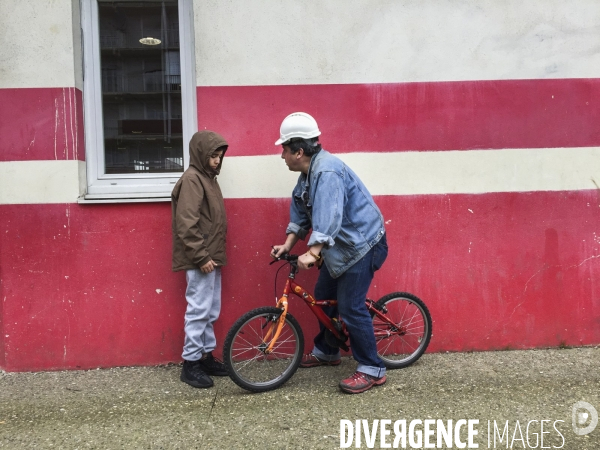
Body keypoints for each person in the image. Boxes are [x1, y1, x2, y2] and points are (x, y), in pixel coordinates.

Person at [270, 112, 389, 394]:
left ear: (299, 151)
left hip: (363, 246)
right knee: (323, 298)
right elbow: (300, 213)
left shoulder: (327, 171)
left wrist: (312, 252)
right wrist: (288, 244)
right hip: (341, 248)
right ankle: (327, 351)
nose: (282, 155)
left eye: (284, 149)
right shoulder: (307, 175)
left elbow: (330, 216)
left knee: (350, 306)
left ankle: (372, 368)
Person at [171, 130, 229, 389]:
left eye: (219, 156)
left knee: (210, 309)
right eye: (212, 156)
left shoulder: (208, 179)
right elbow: (186, 224)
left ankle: (205, 357)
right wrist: (201, 255)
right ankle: (190, 363)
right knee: (198, 310)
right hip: (201, 258)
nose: (216, 161)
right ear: (200, 155)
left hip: (211, 257)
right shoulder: (193, 180)